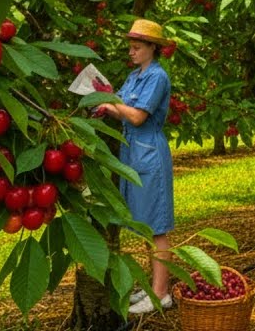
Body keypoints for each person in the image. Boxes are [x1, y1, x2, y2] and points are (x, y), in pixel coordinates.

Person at [94, 19, 176, 313]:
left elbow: (138, 116)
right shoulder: (134, 77)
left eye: (137, 47)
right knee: (144, 224)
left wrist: (109, 101)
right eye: (130, 46)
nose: (131, 52)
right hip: (133, 155)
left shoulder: (157, 77)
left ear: (153, 48)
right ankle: (154, 286)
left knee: (157, 227)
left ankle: (161, 293)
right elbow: (121, 111)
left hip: (150, 154)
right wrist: (105, 105)